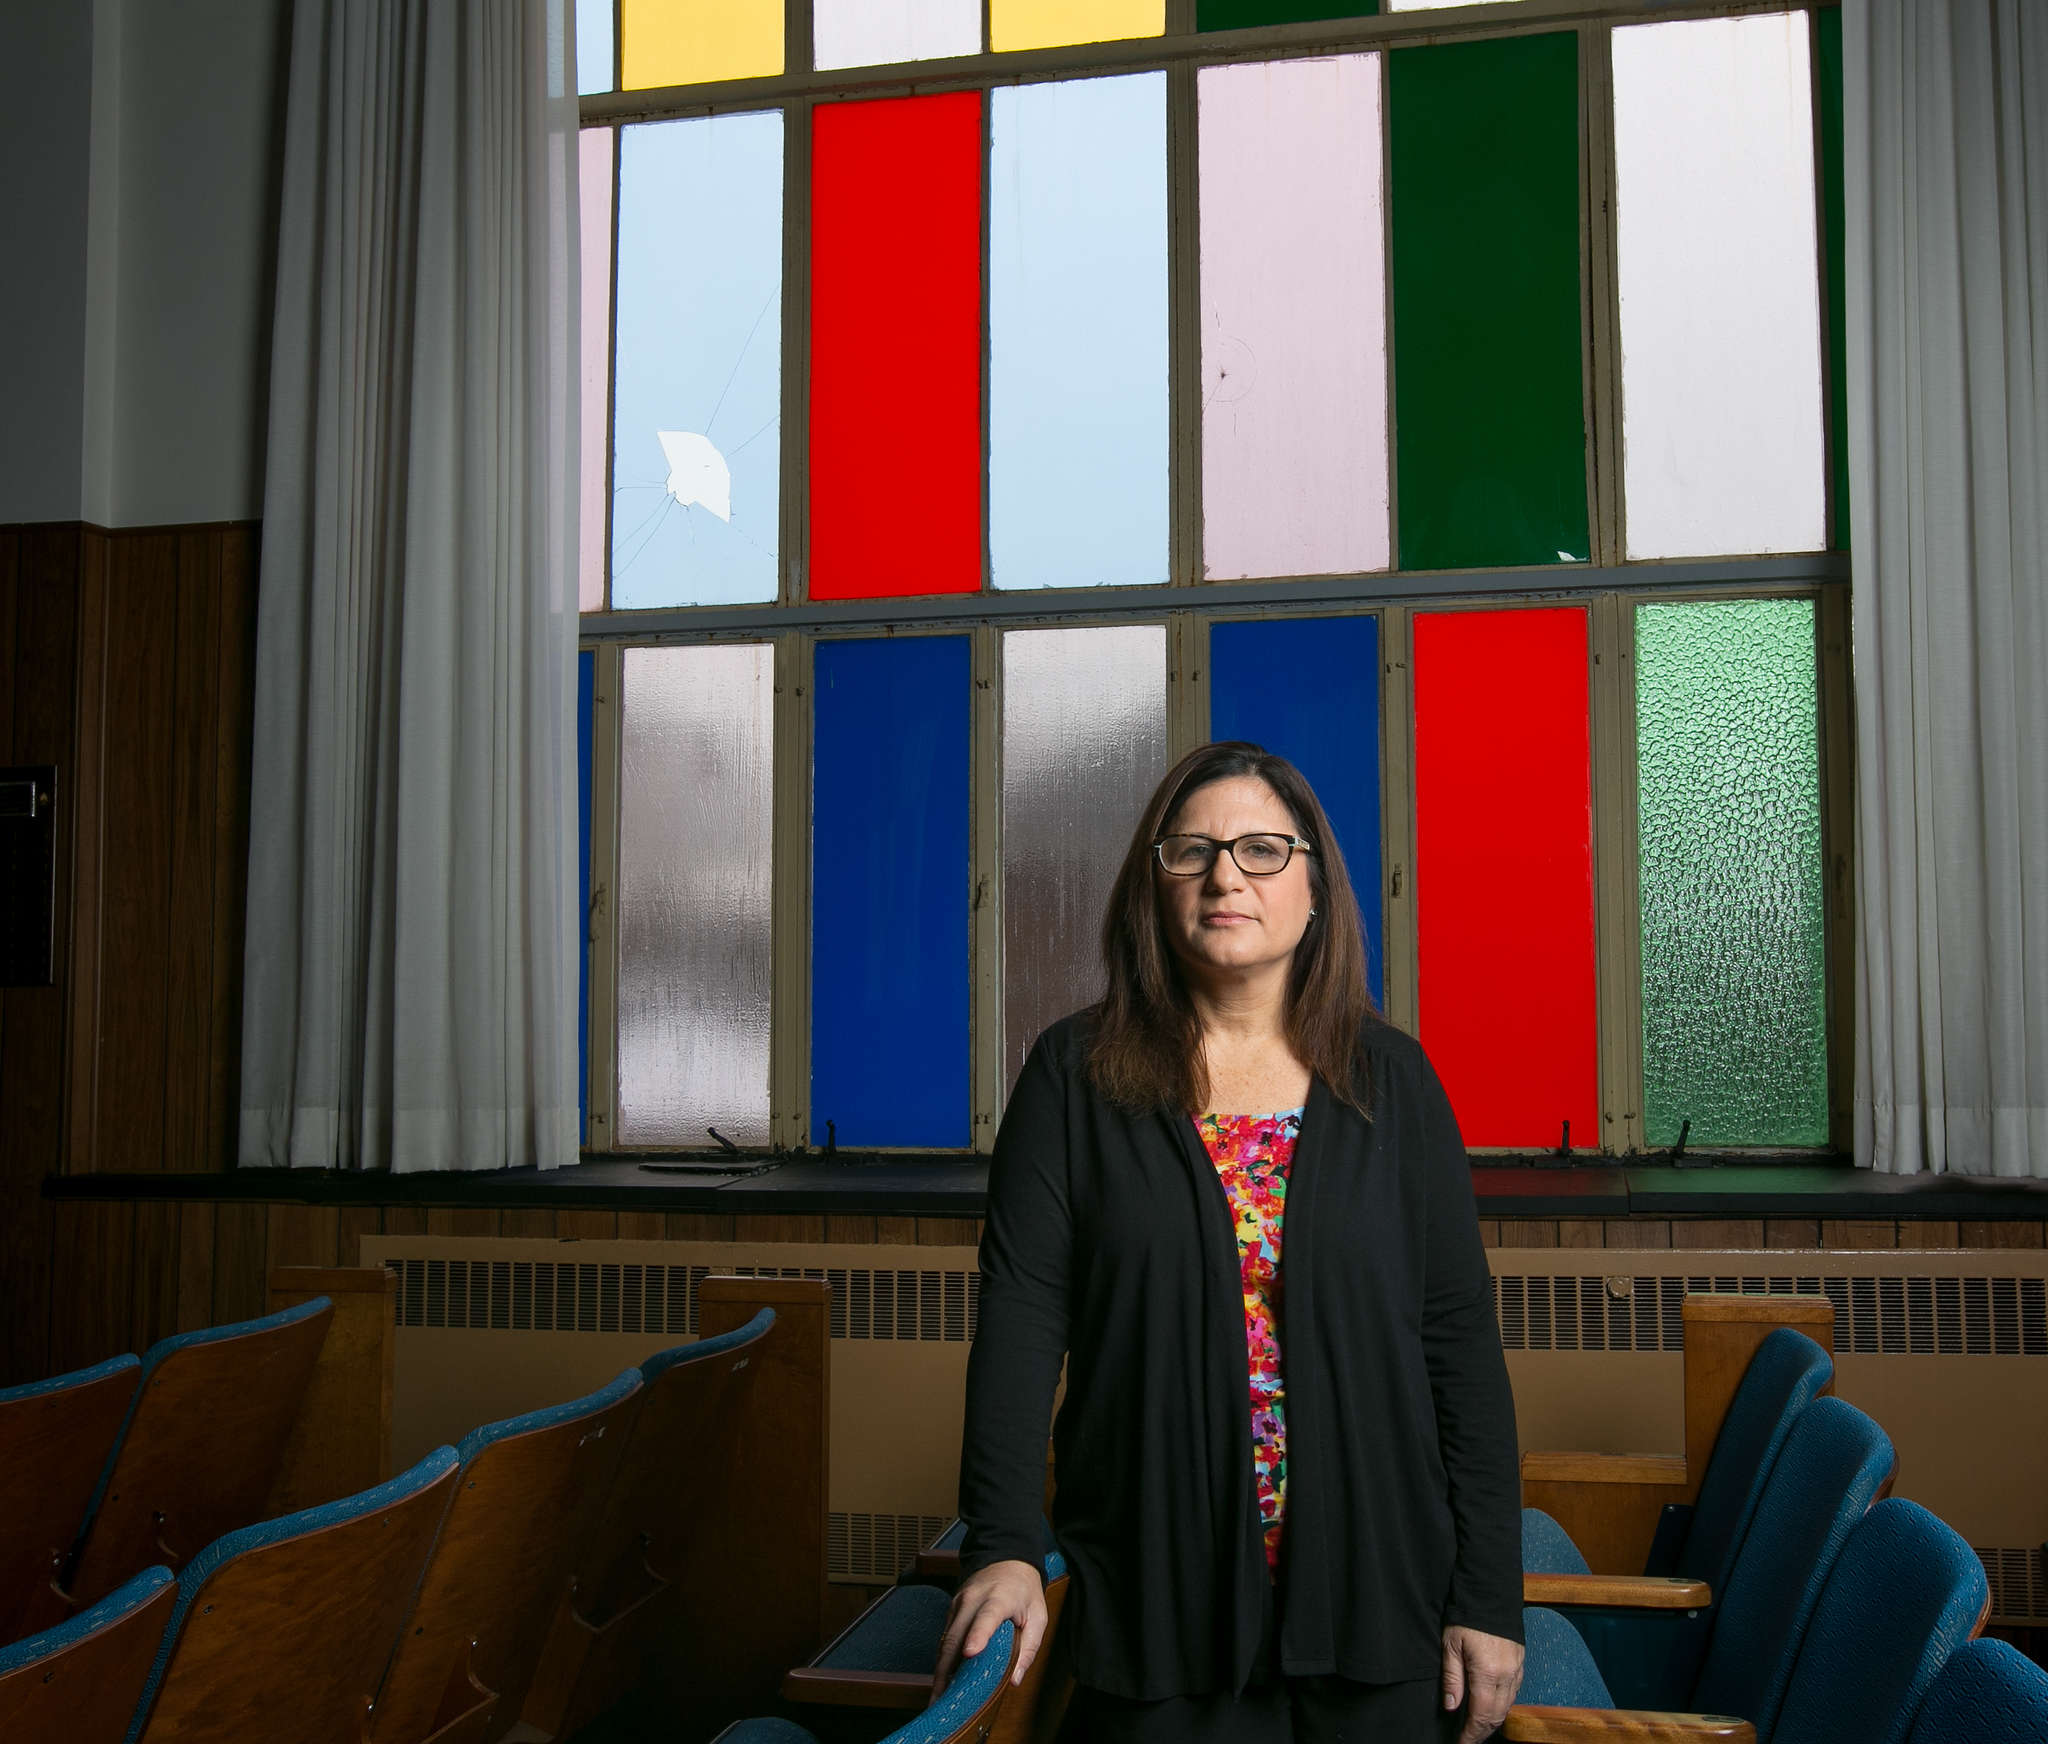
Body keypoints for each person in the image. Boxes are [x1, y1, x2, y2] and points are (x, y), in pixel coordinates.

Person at [933, 741, 1525, 1743]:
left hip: (1380, 1596)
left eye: (1261, 849)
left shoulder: (1394, 1082)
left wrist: (1488, 1593)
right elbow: (1021, 1319)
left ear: (1314, 888)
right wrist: (1002, 1544)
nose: (1225, 877)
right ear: (1152, 885)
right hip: (1152, 1597)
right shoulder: (1072, 1076)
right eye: (1192, 851)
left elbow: (1458, 1346)